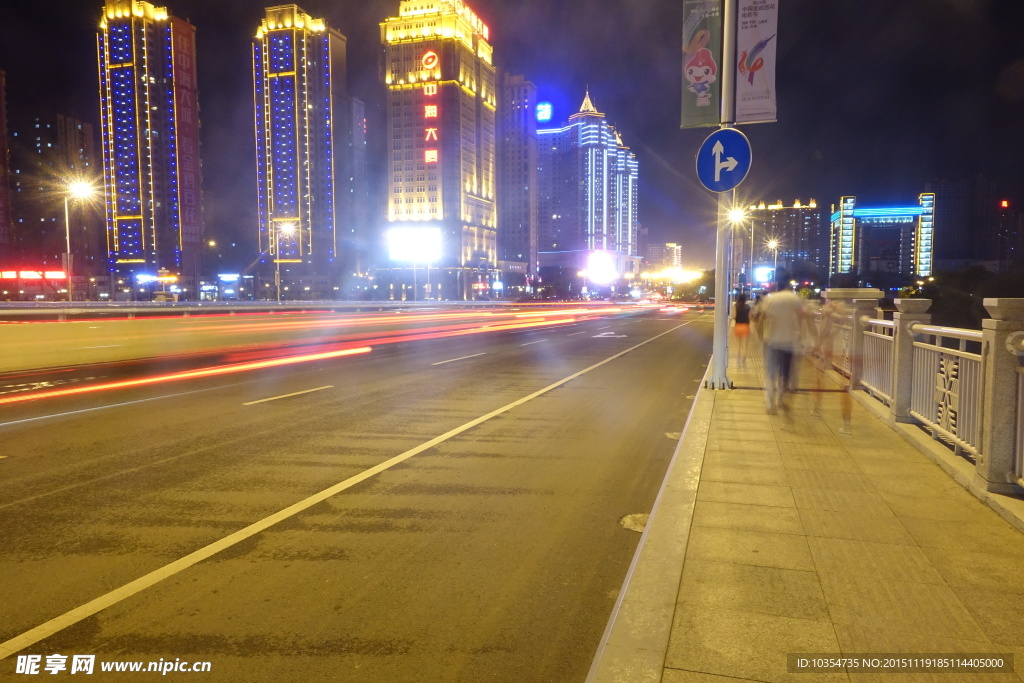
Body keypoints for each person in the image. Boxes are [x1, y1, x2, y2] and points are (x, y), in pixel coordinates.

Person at [752, 286, 808, 413]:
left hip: (772, 342)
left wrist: (760, 337)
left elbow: (761, 319)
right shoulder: (794, 298)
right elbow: (801, 317)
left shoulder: (770, 299)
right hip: (789, 343)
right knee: (784, 375)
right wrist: (800, 336)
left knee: (771, 374)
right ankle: (780, 400)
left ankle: (770, 405)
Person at [732, 293, 751, 367]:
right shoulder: (748, 307)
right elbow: (750, 317)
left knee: (738, 345)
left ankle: (738, 359)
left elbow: (734, 316)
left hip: (737, 326)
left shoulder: (736, 306)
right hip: (745, 326)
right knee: (744, 345)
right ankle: (743, 360)